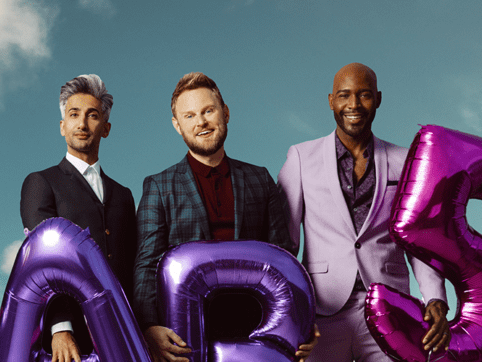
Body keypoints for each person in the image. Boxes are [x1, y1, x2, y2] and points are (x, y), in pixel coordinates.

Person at [132, 72, 315, 362]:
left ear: (225, 113)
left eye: (208, 111)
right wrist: (148, 327)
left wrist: (300, 322)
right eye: (190, 115)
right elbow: (146, 265)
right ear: (177, 126)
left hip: (257, 333)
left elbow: (284, 256)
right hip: (187, 336)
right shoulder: (158, 186)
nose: (201, 122)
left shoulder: (260, 179)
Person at [277, 63, 450, 361]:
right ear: (331, 101)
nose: (354, 104)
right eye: (344, 95)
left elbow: (418, 239)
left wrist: (435, 297)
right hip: (322, 313)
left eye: (364, 95)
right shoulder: (301, 157)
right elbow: (285, 245)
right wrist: (288, 314)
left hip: (390, 308)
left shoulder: (404, 160)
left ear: (378, 99)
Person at [20, 74, 136, 362]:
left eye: (92, 115)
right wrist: (60, 328)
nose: (82, 124)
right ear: (62, 126)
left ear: (106, 128)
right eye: (74, 115)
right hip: (69, 341)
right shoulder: (41, 183)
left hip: (124, 335)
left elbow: (134, 265)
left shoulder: (124, 195)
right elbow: (44, 263)